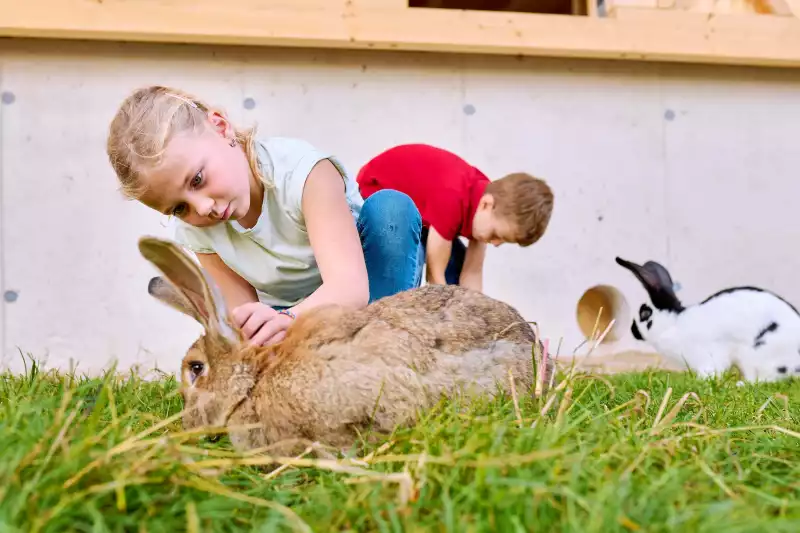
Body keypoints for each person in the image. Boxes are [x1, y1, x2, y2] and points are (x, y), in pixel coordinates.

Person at [106, 85, 423, 347]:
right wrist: (258, 328)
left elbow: (350, 289)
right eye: (178, 208)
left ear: (220, 126)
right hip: (287, 317)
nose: (201, 208)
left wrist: (288, 321)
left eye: (197, 180)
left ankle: (385, 348)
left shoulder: (305, 173)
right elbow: (242, 310)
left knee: (392, 208)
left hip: (362, 297)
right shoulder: (198, 230)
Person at [356, 143, 553, 293]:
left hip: (424, 217)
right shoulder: (454, 196)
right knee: (416, 256)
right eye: (496, 235)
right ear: (486, 204)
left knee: (457, 264)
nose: (496, 243)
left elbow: (472, 273)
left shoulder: (485, 205)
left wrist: (481, 318)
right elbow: (435, 277)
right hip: (378, 198)